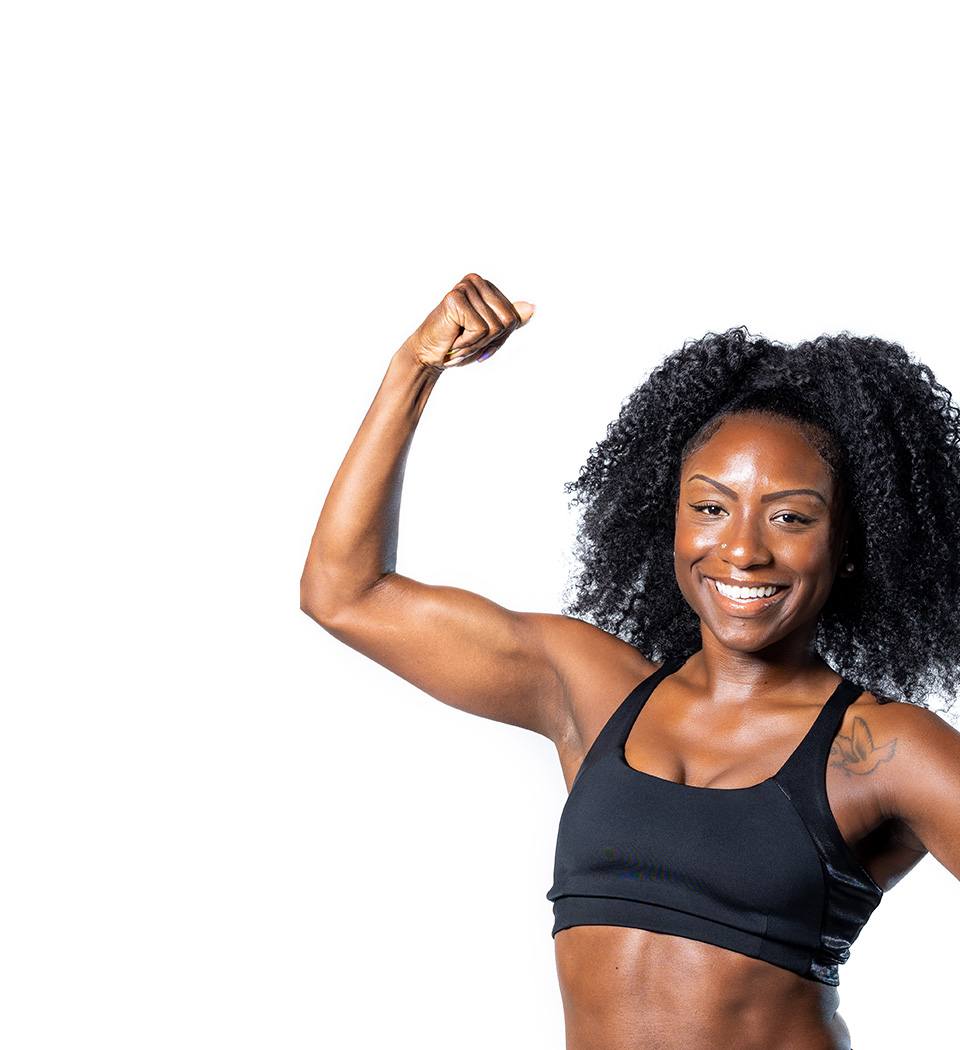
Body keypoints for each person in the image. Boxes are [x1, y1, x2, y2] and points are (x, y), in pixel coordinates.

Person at [300, 272, 960, 1049]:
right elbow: (345, 593)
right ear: (667, 518)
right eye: (710, 508)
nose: (742, 550)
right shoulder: (593, 691)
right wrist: (414, 366)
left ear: (849, 545)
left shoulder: (882, 750)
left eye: (789, 518)